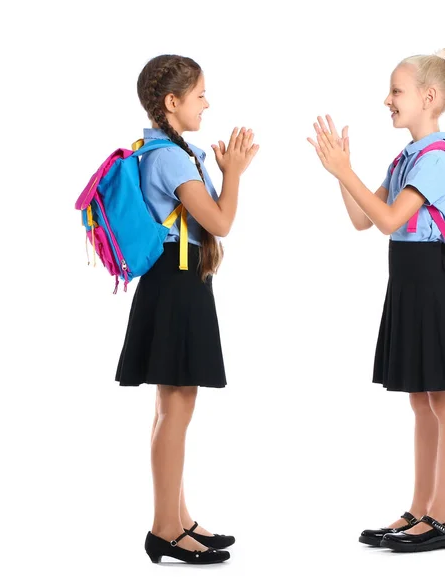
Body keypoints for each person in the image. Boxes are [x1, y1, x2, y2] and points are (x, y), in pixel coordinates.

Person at [307, 47, 445, 553]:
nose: (387, 100)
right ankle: (421, 509)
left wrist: (346, 170)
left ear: (429, 98)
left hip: (430, 282)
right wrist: (342, 172)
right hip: (406, 282)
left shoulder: (440, 161)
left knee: (443, 397)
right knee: (421, 400)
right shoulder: (407, 158)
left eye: (396, 91)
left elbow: (388, 219)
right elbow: (363, 219)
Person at [116, 54, 259, 564]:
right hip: (176, 286)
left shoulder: (162, 150)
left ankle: (179, 520)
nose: (206, 102)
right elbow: (219, 222)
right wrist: (235, 173)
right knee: (176, 409)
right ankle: (164, 529)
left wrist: (220, 169)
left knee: (170, 408)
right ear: (172, 103)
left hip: (172, 283)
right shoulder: (173, 158)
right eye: (199, 94)